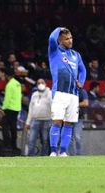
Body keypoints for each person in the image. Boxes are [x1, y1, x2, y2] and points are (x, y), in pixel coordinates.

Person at [47, 27, 86, 157]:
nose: (70, 41)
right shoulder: (54, 51)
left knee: (69, 123)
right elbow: (51, 38)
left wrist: (82, 81)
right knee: (57, 121)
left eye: (71, 38)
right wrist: (59, 28)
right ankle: (53, 151)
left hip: (74, 95)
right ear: (60, 40)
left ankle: (63, 151)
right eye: (66, 39)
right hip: (59, 92)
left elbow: (83, 70)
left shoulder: (76, 55)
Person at [26, 78, 52, 156]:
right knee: (31, 140)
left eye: (42, 82)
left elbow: (53, 106)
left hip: (46, 120)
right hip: (35, 120)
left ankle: (44, 156)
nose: (40, 84)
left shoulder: (50, 93)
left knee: (45, 140)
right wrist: (28, 122)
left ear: (45, 84)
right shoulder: (34, 95)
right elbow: (31, 108)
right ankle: (30, 156)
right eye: (38, 83)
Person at [0, 67, 22, 154]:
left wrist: (3, 109)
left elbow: (7, 98)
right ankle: (14, 146)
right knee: (13, 128)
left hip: (9, 108)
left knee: (5, 127)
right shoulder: (17, 83)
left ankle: (7, 146)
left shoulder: (9, 85)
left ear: (7, 75)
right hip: (16, 109)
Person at [69, 88, 89, 156]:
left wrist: (74, 104)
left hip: (78, 118)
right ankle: (72, 155)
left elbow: (86, 103)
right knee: (69, 138)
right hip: (68, 118)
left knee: (77, 136)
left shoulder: (82, 91)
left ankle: (79, 154)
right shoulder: (67, 90)